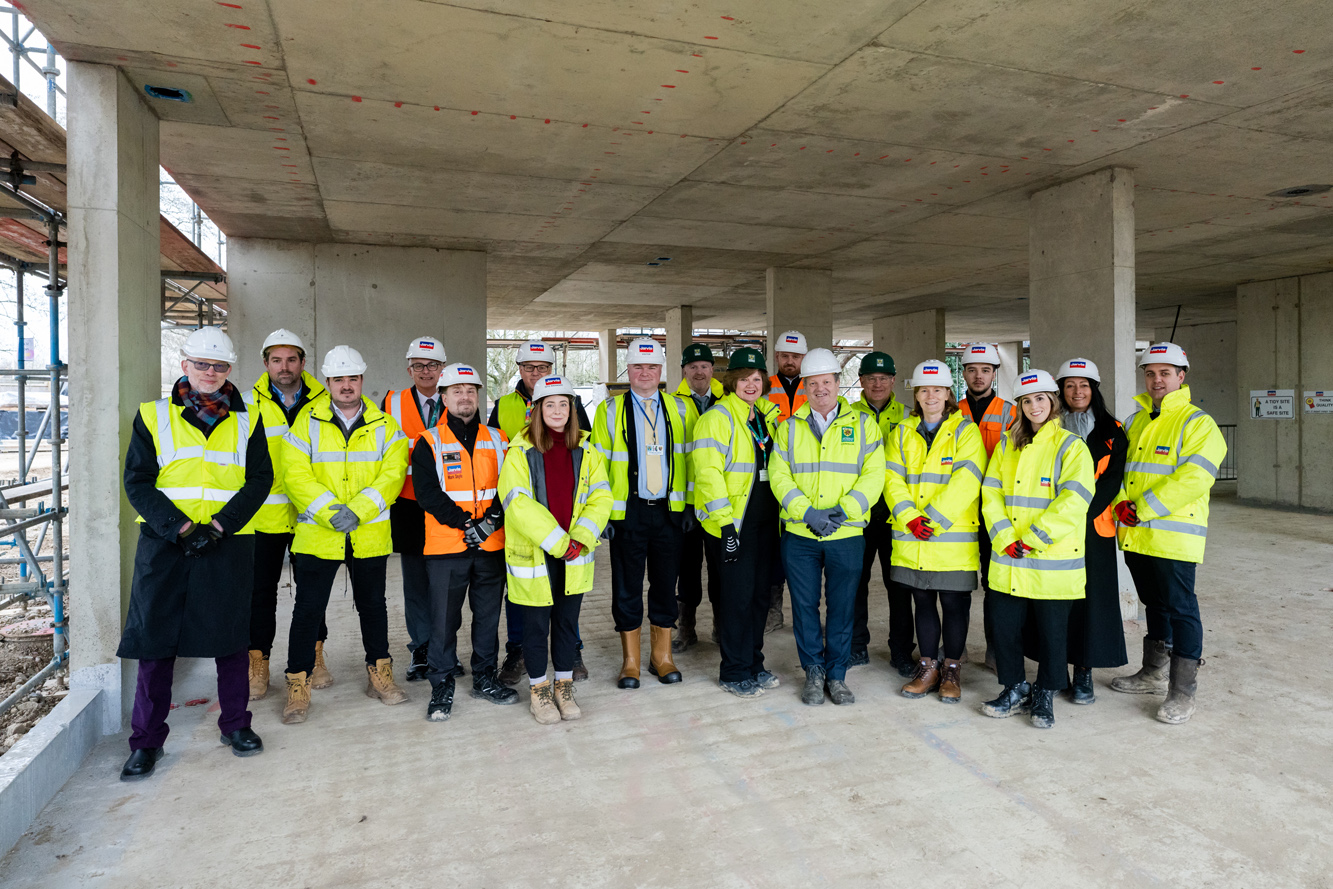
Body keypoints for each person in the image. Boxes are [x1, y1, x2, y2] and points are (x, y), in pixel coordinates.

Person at [119, 327, 272, 780]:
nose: (210, 372)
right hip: (165, 543)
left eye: (219, 366)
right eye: (202, 364)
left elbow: (259, 481)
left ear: (230, 371)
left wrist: (220, 526)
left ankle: (236, 726)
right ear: (184, 365)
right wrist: (182, 527)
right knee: (156, 641)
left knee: (230, 637)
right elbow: (138, 481)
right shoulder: (152, 416)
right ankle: (146, 742)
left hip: (227, 541)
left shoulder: (250, 418)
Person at [279, 346, 410, 724]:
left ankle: (380, 673)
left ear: (362, 381)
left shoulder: (386, 425)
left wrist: (359, 511)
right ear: (328, 382)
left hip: (367, 534)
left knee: (373, 607)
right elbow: (295, 474)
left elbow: (393, 474)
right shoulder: (305, 422)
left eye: (353, 378)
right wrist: (331, 512)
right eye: (339, 380)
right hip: (320, 535)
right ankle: (298, 684)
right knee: (307, 610)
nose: (347, 386)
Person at [1111, 343, 1226, 725]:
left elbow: (1193, 478)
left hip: (1172, 536)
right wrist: (1123, 503)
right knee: (1153, 605)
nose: (1156, 379)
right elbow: (1122, 470)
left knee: (1181, 608)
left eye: (1165, 372)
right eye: (1150, 373)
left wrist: (1141, 508)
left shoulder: (1198, 424)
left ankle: (1182, 692)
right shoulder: (1135, 421)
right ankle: (1153, 672)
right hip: (1136, 533)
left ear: (1181, 376)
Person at [979, 370, 1095, 729]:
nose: (1034, 407)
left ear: (1053, 402)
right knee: (1005, 627)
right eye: (1026, 401)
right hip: (1009, 555)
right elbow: (991, 493)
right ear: (1020, 406)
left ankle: (1045, 692)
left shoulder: (1071, 446)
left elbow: (1075, 500)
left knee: (1052, 632)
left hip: (1049, 559)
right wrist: (1003, 537)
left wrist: (1032, 539)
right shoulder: (1007, 446)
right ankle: (1014, 687)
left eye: (1040, 399)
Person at [769, 348, 885, 706]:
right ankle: (813, 671)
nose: (820, 389)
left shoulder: (864, 425)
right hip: (801, 534)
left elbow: (874, 475)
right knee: (804, 607)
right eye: (813, 383)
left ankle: (837, 675)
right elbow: (779, 474)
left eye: (826, 382)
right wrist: (806, 512)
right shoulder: (788, 427)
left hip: (846, 533)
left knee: (842, 606)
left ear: (838, 384)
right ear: (804, 387)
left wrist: (842, 511)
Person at [498, 375, 612, 724]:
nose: (558, 410)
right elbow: (516, 503)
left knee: (566, 624)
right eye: (550, 404)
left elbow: (601, 496)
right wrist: (560, 543)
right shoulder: (519, 451)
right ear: (537, 409)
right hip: (536, 554)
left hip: (574, 553)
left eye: (565, 404)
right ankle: (539, 691)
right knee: (535, 628)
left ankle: (564, 686)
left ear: (573, 409)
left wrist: (579, 540)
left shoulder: (587, 450)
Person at [411, 362, 517, 722]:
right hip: (446, 547)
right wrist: (466, 523)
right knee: (443, 622)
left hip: (490, 544)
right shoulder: (429, 442)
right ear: (443, 397)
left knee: (487, 618)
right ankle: (441, 684)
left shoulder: (499, 439)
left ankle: (485, 678)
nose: (465, 396)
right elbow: (427, 494)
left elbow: (511, 486)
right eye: (456, 391)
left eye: (471, 390)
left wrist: (489, 524)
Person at [593, 337, 694, 689]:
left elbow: (691, 460)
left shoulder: (681, 409)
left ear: (662, 371)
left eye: (652, 367)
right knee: (626, 587)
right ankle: (631, 661)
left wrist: (689, 505)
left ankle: (662, 658)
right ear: (629, 370)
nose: (645, 373)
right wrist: (603, 514)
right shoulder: (609, 411)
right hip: (628, 514)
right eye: (638, 366)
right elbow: (598, 467)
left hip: (669, 513)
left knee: (666, 586)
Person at [489, 340, 591, 685]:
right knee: (525, 605)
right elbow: (505, 478)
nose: (536, 372)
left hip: (571, 537)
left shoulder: (582, 438)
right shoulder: (503, 409)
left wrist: (580, 537)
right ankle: (519, 653)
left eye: (542, 367)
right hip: (527, 532)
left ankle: (569, 654)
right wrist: (556, 540)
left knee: (565, 608)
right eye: (529, 367)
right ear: (519, 369)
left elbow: (594, 487)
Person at [887, 360, 986, 704]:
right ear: (917, 394)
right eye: (924, 390)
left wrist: (933, 519)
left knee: (954, 604)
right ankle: (927, 667)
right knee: (922, 602)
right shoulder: (901, 432)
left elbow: (968, 479)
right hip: (912, 537)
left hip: (950, 537)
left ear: (948, 394)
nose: (931, 396)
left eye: (938, 390)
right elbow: (891, 478)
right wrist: (909, 516)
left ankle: (952, 670)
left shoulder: (965, 432)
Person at [690, 348, 781, 698]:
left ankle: (754, 663)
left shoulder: (762, 417)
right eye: (744, 378)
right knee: (735, 599)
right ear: (731, 382)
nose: (751, 384)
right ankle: (733, 670)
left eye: (757, 379)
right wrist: (726, 525)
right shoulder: (717, 418)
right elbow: (708, 474)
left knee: (760, 597)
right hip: (732, 526)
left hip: (764, 524)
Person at [244, 329, 329, 700]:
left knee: (313, 592)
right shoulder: (247, 404)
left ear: (302, 363)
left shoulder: (325, 402)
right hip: (267, 514)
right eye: (276, 360)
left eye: (291, 359)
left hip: (311, 512)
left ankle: (315, 654)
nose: (284, 367)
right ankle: (258, 661)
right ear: (265, 364)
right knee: (260, 593)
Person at [1049, 358, 1129, 703]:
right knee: (1054, 600)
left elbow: (1113, 480)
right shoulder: (1047, 427)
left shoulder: (1113, 429)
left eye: (1083, 385)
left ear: (1093, 389)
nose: (1077, 391)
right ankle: (1055, 671)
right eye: (1069, 385)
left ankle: (1083, 671)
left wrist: (1079, 513)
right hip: (1051, 526)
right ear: (1061, 391)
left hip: (1092, 527)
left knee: (1092, 600)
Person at [382, 336, 450, 683]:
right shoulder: (391, 402)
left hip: (446, 505)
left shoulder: (458, 398)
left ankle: (444, 650)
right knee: (416, 584)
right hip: (407, 504)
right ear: (409, 369)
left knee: (447, 582)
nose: (426, 371)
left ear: (443, 368)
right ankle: (421, 649)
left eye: (433, 365)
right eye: (419, 366)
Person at [958, 343, 1018, 671]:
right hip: (959, 512)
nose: (978, 376)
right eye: (972, 369)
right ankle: (956, 646)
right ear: (963, 372)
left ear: (994, 373)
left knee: (995, 583)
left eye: (985, 370)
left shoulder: (1011, 412)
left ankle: (996, 648)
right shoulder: (952, 411)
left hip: (996, 510)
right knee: (959, 581)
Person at [850, 351, 910, 673]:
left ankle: (901, 650)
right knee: (854, 582)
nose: (877, 384)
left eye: (883, 378)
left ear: (893, 382)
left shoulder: (907, 416)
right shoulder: (847, 415)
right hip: (857, 511)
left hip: (894, 513)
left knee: (899, 585)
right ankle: (856, 645)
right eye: (871, 378)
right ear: (860, 380)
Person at [673, 342, 724, 652]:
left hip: (719, 499)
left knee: (720, 567)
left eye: (704, 366)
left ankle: (721, 626)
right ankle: (686, 629)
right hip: (688, 502)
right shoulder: (672, 403)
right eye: (692, 367)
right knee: (687, 570)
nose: (699, 371)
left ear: (712, 370)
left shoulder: (728, 400)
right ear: (684, 371)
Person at [763, 330, 809, 634]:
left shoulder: (817, 386)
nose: (789, 361)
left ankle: (805, 611)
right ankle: (773, 611)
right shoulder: (763, 387)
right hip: (769, 479)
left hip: (808, 480)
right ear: (776, 357)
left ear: (803, 359)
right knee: (771, 547)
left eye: (795, 356)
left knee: (805, 547)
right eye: (784, 356)